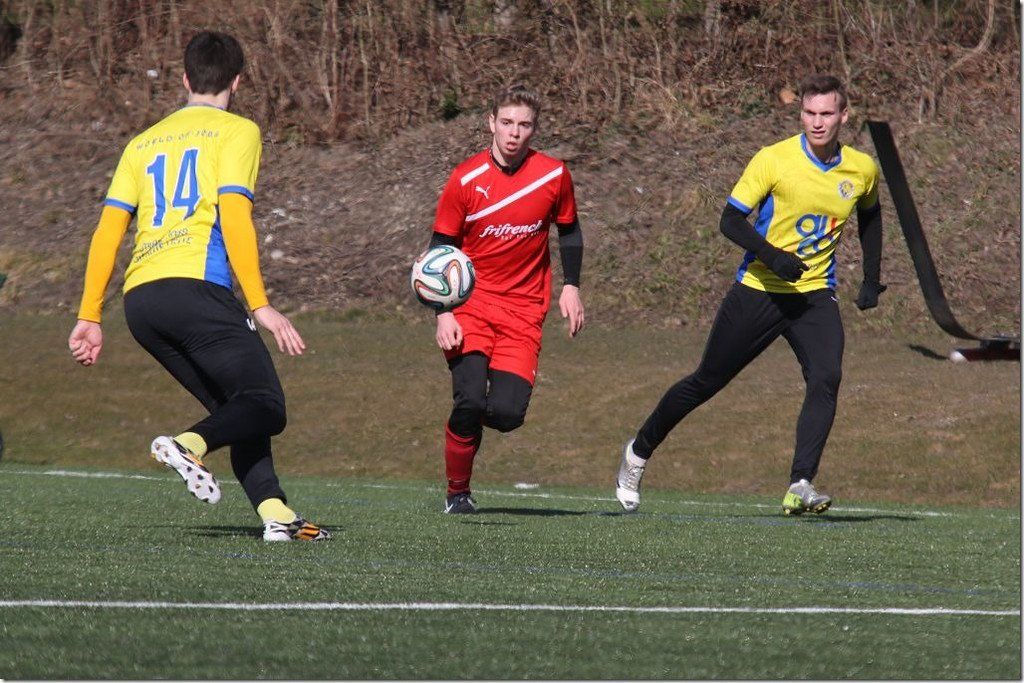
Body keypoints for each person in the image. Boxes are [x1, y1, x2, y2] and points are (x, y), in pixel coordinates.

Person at [67, 31, 329, 542]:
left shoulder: (142, 143)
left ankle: (276, 514)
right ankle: (187, 445)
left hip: (142, 304)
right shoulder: (238, 131)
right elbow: (234, 216)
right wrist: (260, 304)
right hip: (196, 289)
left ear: (185, 79)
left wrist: (89, 316)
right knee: (267, 404)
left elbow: (107, 232)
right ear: (237, 81)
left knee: (239, 407)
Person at [616, 74, 885, 515]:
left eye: (826, 113)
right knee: (706, 381)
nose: (817, 122)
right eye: (809, 113)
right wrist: (772, 257)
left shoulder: (861, 168)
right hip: (759, 290)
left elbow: (871, 216)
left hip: (814, 294)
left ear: (844, 115)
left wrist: (871, 277)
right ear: (801, 113)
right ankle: (638, 452)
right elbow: (730, 220)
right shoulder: (773, 159)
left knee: (826, 377)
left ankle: (801, 483)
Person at [429, 84, 585, 513]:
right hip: (471, 307)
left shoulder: (553, 175)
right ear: (491, 124)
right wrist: (443, 313)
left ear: (535, 129)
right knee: (469, 400)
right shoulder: (465, 179)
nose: (514, 133)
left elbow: (570, 230)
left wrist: (572, 285)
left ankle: (465, 424)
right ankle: (458, 493)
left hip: (523, 312)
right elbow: (440, 250)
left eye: (524, 125)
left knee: (506, 414)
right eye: (507, 122)